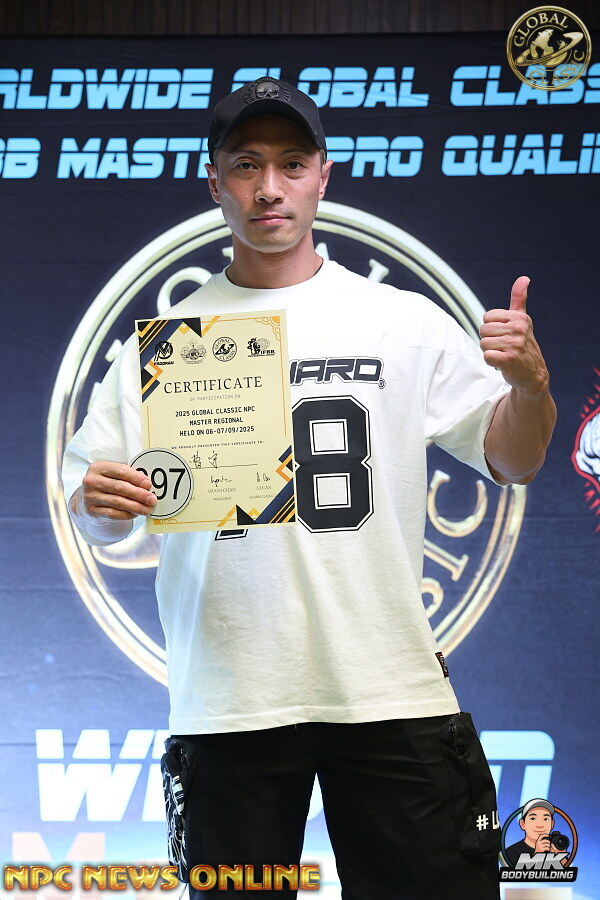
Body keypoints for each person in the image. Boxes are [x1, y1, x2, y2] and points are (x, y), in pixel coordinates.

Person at [61, 77, 557, 899]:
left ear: (323, 175)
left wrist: (531, 390)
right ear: (213, 181)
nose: (269, 187)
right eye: (245, 164)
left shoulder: (401, 319)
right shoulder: (167, 345)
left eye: (291, 164)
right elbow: (95, 506)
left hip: (387, 685)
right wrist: (99, 502)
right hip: (232, 698)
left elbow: (513, 459)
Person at [505, 799, 568, 868]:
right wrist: (537, 855)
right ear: (522, 824)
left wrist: (561, 856)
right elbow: (515, 874)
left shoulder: (555, 847)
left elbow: (569, 873)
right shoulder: (512, 851)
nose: (540, 825)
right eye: (533, 818)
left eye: (545, 819)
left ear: (552, 824)